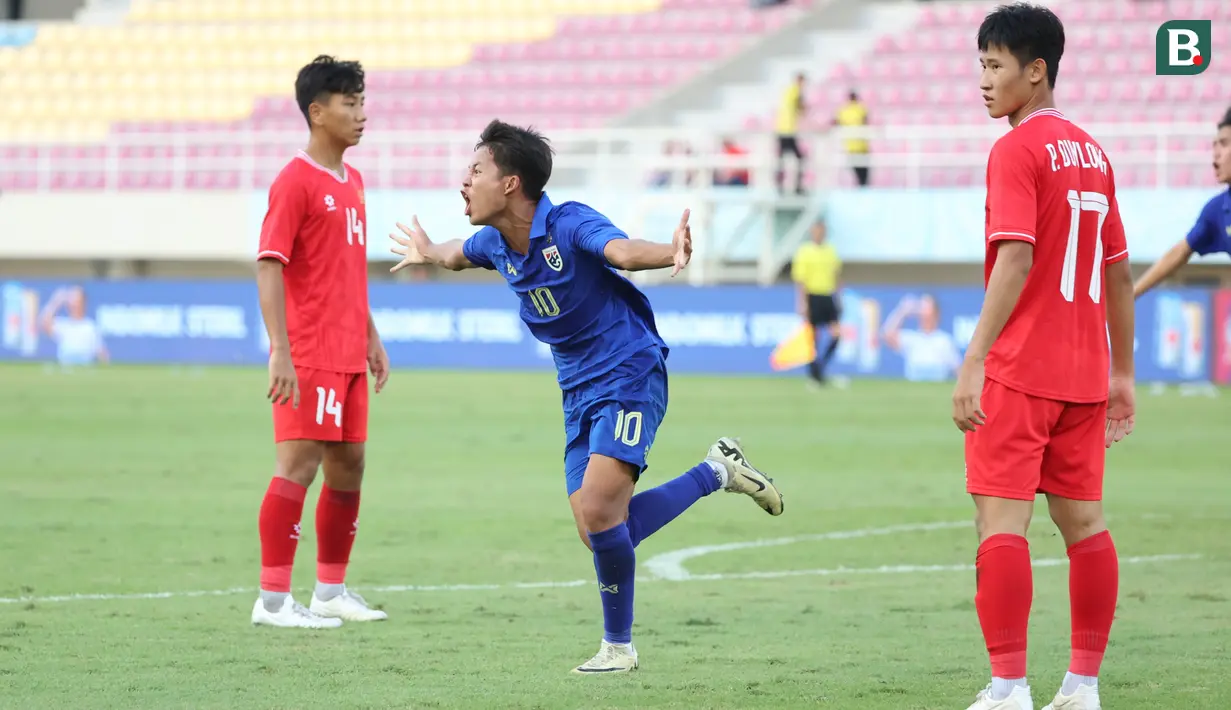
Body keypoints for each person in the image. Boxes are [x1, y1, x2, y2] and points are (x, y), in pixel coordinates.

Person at [387, 119, 784, 674]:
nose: (464, 181)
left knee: (600, 512)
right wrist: (429, 250)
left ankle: (618, 649)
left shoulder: (568, 223)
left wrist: (669, 251)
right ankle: (717, 471)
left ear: (510, 183)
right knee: (597, 530)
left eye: (475, 170)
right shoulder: (494, 242)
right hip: (576, 391)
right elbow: (458, 254)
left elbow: (619, 251)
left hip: (627, 370)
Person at [953, 5, 1135, 709]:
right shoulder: (1094, 152)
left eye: (994, 66)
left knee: (999, 525)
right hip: (1085, 373)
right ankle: (1081, 686)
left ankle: (1006, 689)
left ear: (1036, 70)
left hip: (1021, 369)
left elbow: (1016, 256)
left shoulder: (1015, 149)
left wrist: (974, 358)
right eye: (979, 66)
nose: (983, 81)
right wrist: (1121, 371)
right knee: (1084, 525)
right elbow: (1118, 272)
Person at [253, 55, 391, 629]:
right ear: (317, 112)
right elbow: (268, 265)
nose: (361, 114)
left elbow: (347, 270)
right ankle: (274, 602)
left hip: (347, 350)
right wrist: (280, 350)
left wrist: (372, 337)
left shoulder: (352, 180)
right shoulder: (294, 180)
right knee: (297, 465)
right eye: (349, 103)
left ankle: (330, 592)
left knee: (350, 466)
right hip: (308, 349)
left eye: (362, 101)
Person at [1132, 106, 1231, 298]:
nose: (1216, 153)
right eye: (1214, 145)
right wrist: (1132, 294)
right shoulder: (1217, 211)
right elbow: (1179, 252)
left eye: (1224, 143)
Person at [790, 220, 842, 384]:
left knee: (836, 334)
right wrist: (802, 302)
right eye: (817, 230)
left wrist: (838, 298)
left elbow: (836, 276)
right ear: (812, 232)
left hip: (827, 295)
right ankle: (814, 374)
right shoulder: (804, 252)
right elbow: (801, 280)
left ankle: (820, 369)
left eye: (822, 230)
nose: (819, 233)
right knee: (812, 337)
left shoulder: (830, 251)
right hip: (812, 296)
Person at [881, 293, 960, 382]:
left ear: (936, 312)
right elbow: (887, 334)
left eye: (927, 307)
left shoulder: (944, 341)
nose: (922, 310)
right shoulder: (912, 338)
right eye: (921, 306)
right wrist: (902, 311)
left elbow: (958, 370)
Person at [775, 72, 807, 194]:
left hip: (782, 129)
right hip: (788, 131)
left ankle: (780, 186)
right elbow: (801, 107)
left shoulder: (788, 91)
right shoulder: (796, 92)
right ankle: (796, 187)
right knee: (799, 158)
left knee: (782, 159)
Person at [833, 90, 871, 187]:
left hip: (851, 146)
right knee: (864, 173)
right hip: (862, 146)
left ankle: (860, 188)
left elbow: (836, 122)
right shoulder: (861, 108)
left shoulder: (843, 110)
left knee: (857, 172)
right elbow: (866, 122)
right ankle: (862, 189)